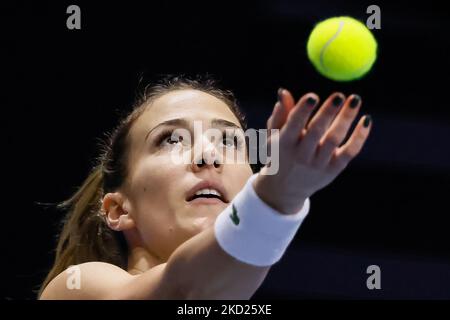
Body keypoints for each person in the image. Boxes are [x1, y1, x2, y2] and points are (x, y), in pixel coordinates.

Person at [39, 75, 372, 299]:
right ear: (119, 209)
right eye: (171, 139)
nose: (208, 156)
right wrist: (277, 197)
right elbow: (183, 291)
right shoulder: (78, 288)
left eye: (228, 141)